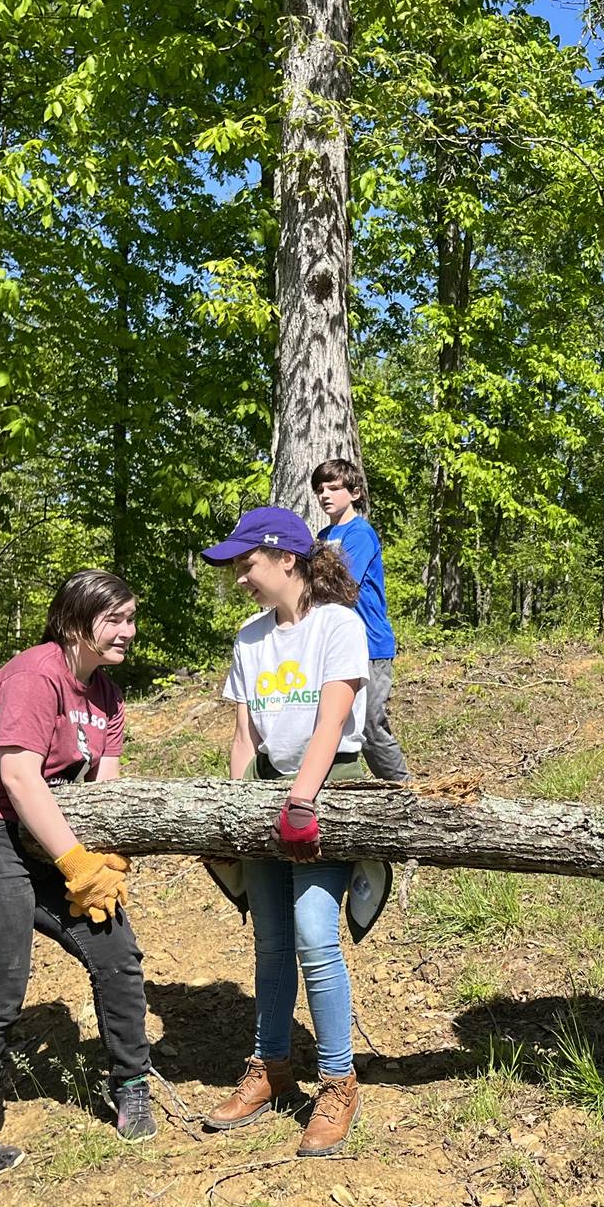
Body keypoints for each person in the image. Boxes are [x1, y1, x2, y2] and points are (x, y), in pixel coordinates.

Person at [0, 570, 154, 1178]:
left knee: (116, 951)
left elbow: (106, 788)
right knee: (1, 982)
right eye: (116, 620)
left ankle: (130, 1083)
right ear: (77, 623)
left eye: (131, 619)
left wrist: (106, 856)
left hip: (44, 839)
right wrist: (76, 863)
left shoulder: (106, 695)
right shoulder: (34, 675)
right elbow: (18, 778)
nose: (128, 632)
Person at [199, 506, 372, 1158]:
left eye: (247, 564)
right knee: (271, 939)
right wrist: (233, 813)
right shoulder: (250, 638)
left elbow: (332, 721)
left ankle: (337, 1080)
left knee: (311, 932)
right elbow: (244, 736)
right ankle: (270, 1065)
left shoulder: (338, 626)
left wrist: (303, 800)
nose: (241, 577)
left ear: (286, 560)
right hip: (269, 791)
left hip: (330, 790)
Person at [312, 458, 411, 783]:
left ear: (354, 492)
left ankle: (404, 792)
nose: (325, 494)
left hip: (369, 644)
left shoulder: (361, 533)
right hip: (334, 646)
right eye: (320, 489)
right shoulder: (323, 535)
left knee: (369, 724)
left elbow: (341, 587)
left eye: (334, 488)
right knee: (330, 720)